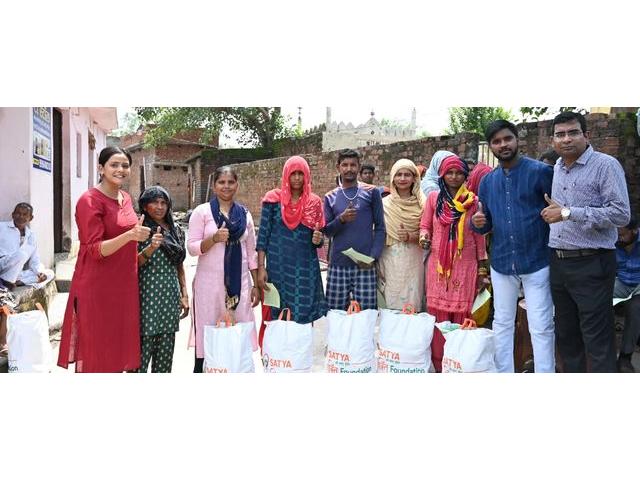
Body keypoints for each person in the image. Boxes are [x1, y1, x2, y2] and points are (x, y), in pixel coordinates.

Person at [541, 111, 630, 373]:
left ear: (586, 135)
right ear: (553, 139)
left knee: (597, 338)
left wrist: (568, 213)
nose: (566, 139)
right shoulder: (557, 167)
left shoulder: (605, 165)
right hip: (559, 262)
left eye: (573, 132)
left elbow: (621, 214)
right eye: (560, 134)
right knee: (567, 336)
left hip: (592, 262)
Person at [471, 119, 556, 373]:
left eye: (507, 138)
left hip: (537, 260)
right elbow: (485, 223)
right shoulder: (487, 182)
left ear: (517, 139)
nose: (503, 145)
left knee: (541, 325)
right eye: (496, 141)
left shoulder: (541, 172)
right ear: (491, 147)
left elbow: (558, 213)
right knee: (502, 322)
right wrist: (478, 223)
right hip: (502, 262)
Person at [57, 146, 150, 372]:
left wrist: (137, 237)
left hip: (124, 285)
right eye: (114, 165)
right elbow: (94, 250)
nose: (120, 169)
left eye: (125, 165)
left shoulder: (125, 198)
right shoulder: (89, 200)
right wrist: (130, 235)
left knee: (118, 350)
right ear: (101, 168)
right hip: (97, 286)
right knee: (98, 352)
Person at [187, 166, 260, 373]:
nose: (226, 186)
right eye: (221, 182)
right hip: (209, 287)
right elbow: (192, 248)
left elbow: (251, 253)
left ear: (237, 185)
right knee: (208, 335)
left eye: (230, 182)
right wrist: (213, 239)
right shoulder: (202, 212)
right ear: (214, 186)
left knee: (238, 333)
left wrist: (255, 285)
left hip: (239, 286)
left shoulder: (244, 215)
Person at [420, 154, 487, 372]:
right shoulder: (433, 199)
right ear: (442, 175)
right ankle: (440, 364)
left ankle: (458, 363)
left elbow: (479, 236)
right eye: (449, 172)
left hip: (465, 265)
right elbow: (425, 225)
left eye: (459, 173)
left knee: (462, 315)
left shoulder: (473, 202)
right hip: (438, 266)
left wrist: (482, 268)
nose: (454, 177)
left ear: (465, 176)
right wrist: (423, 237)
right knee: (437, 315)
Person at [256, 156, 327, 344]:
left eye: (300, 174)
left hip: (305, 270)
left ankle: (298, 355)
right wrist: (261, 267)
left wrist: (318, 240)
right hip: (277, 269)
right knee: (277, 315)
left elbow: (319, 238)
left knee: (302, 316)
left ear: (307, 176)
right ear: (286, 175)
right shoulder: (273, 200)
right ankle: (277, 355)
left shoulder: (314, 203)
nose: (296, 178)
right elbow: (263, 236)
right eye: (293, 173)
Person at [323, 149, 385, 310]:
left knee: (365, 315)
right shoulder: (330, 197)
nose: (349, 169)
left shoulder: (372, 192)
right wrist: (341, 219)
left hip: (365, 265)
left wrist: (372, 257)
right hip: (338, 265)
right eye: (345, 165)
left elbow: (380, 228)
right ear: (338, 167)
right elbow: (327, 231)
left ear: (358, 167)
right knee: (335, 315)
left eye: (353, 165)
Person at [136, 186, 189, 373]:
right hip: (146, 298)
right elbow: (133, 264)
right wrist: (150, 248)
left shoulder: (176, 231)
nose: (160, 207)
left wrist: (184, 295)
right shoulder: (140, 230)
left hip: (169, 298)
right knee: (140, 359)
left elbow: (179, 265)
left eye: (164, 203)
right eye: (155, 202)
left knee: (165, 360)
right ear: (144, 206)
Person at [378, 158, 426, 310]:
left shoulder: (423, 203)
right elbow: (377, 231)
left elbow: (429, 231)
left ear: (414, 178)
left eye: (407, 175)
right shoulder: (384, 204)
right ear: (393, 178)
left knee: (413, 301)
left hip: (414, 258)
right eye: (399, 175)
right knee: (391, 298)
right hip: (389, 258)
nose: (403, 178)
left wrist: (411, 236)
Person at [0, 203, 47, 290]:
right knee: (21, 255)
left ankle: (16, 282)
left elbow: (35, 260)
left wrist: (39, 272)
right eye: (18, 213)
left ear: (31, 218)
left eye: (25, 214)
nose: (21, 217)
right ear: (13, 215)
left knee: (48, 273)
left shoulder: (31, 235)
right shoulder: (2, 227)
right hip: (2, 264)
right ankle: (8, 281)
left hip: (16, 271)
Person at [614, 216, 640, 373]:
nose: (619, 238)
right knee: (598, 300)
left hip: (638, 285)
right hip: (620, 282)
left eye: (622, 234)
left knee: (636, 307)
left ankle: (625, 357)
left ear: (634, 231)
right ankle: (603, 351)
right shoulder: (613, 242)